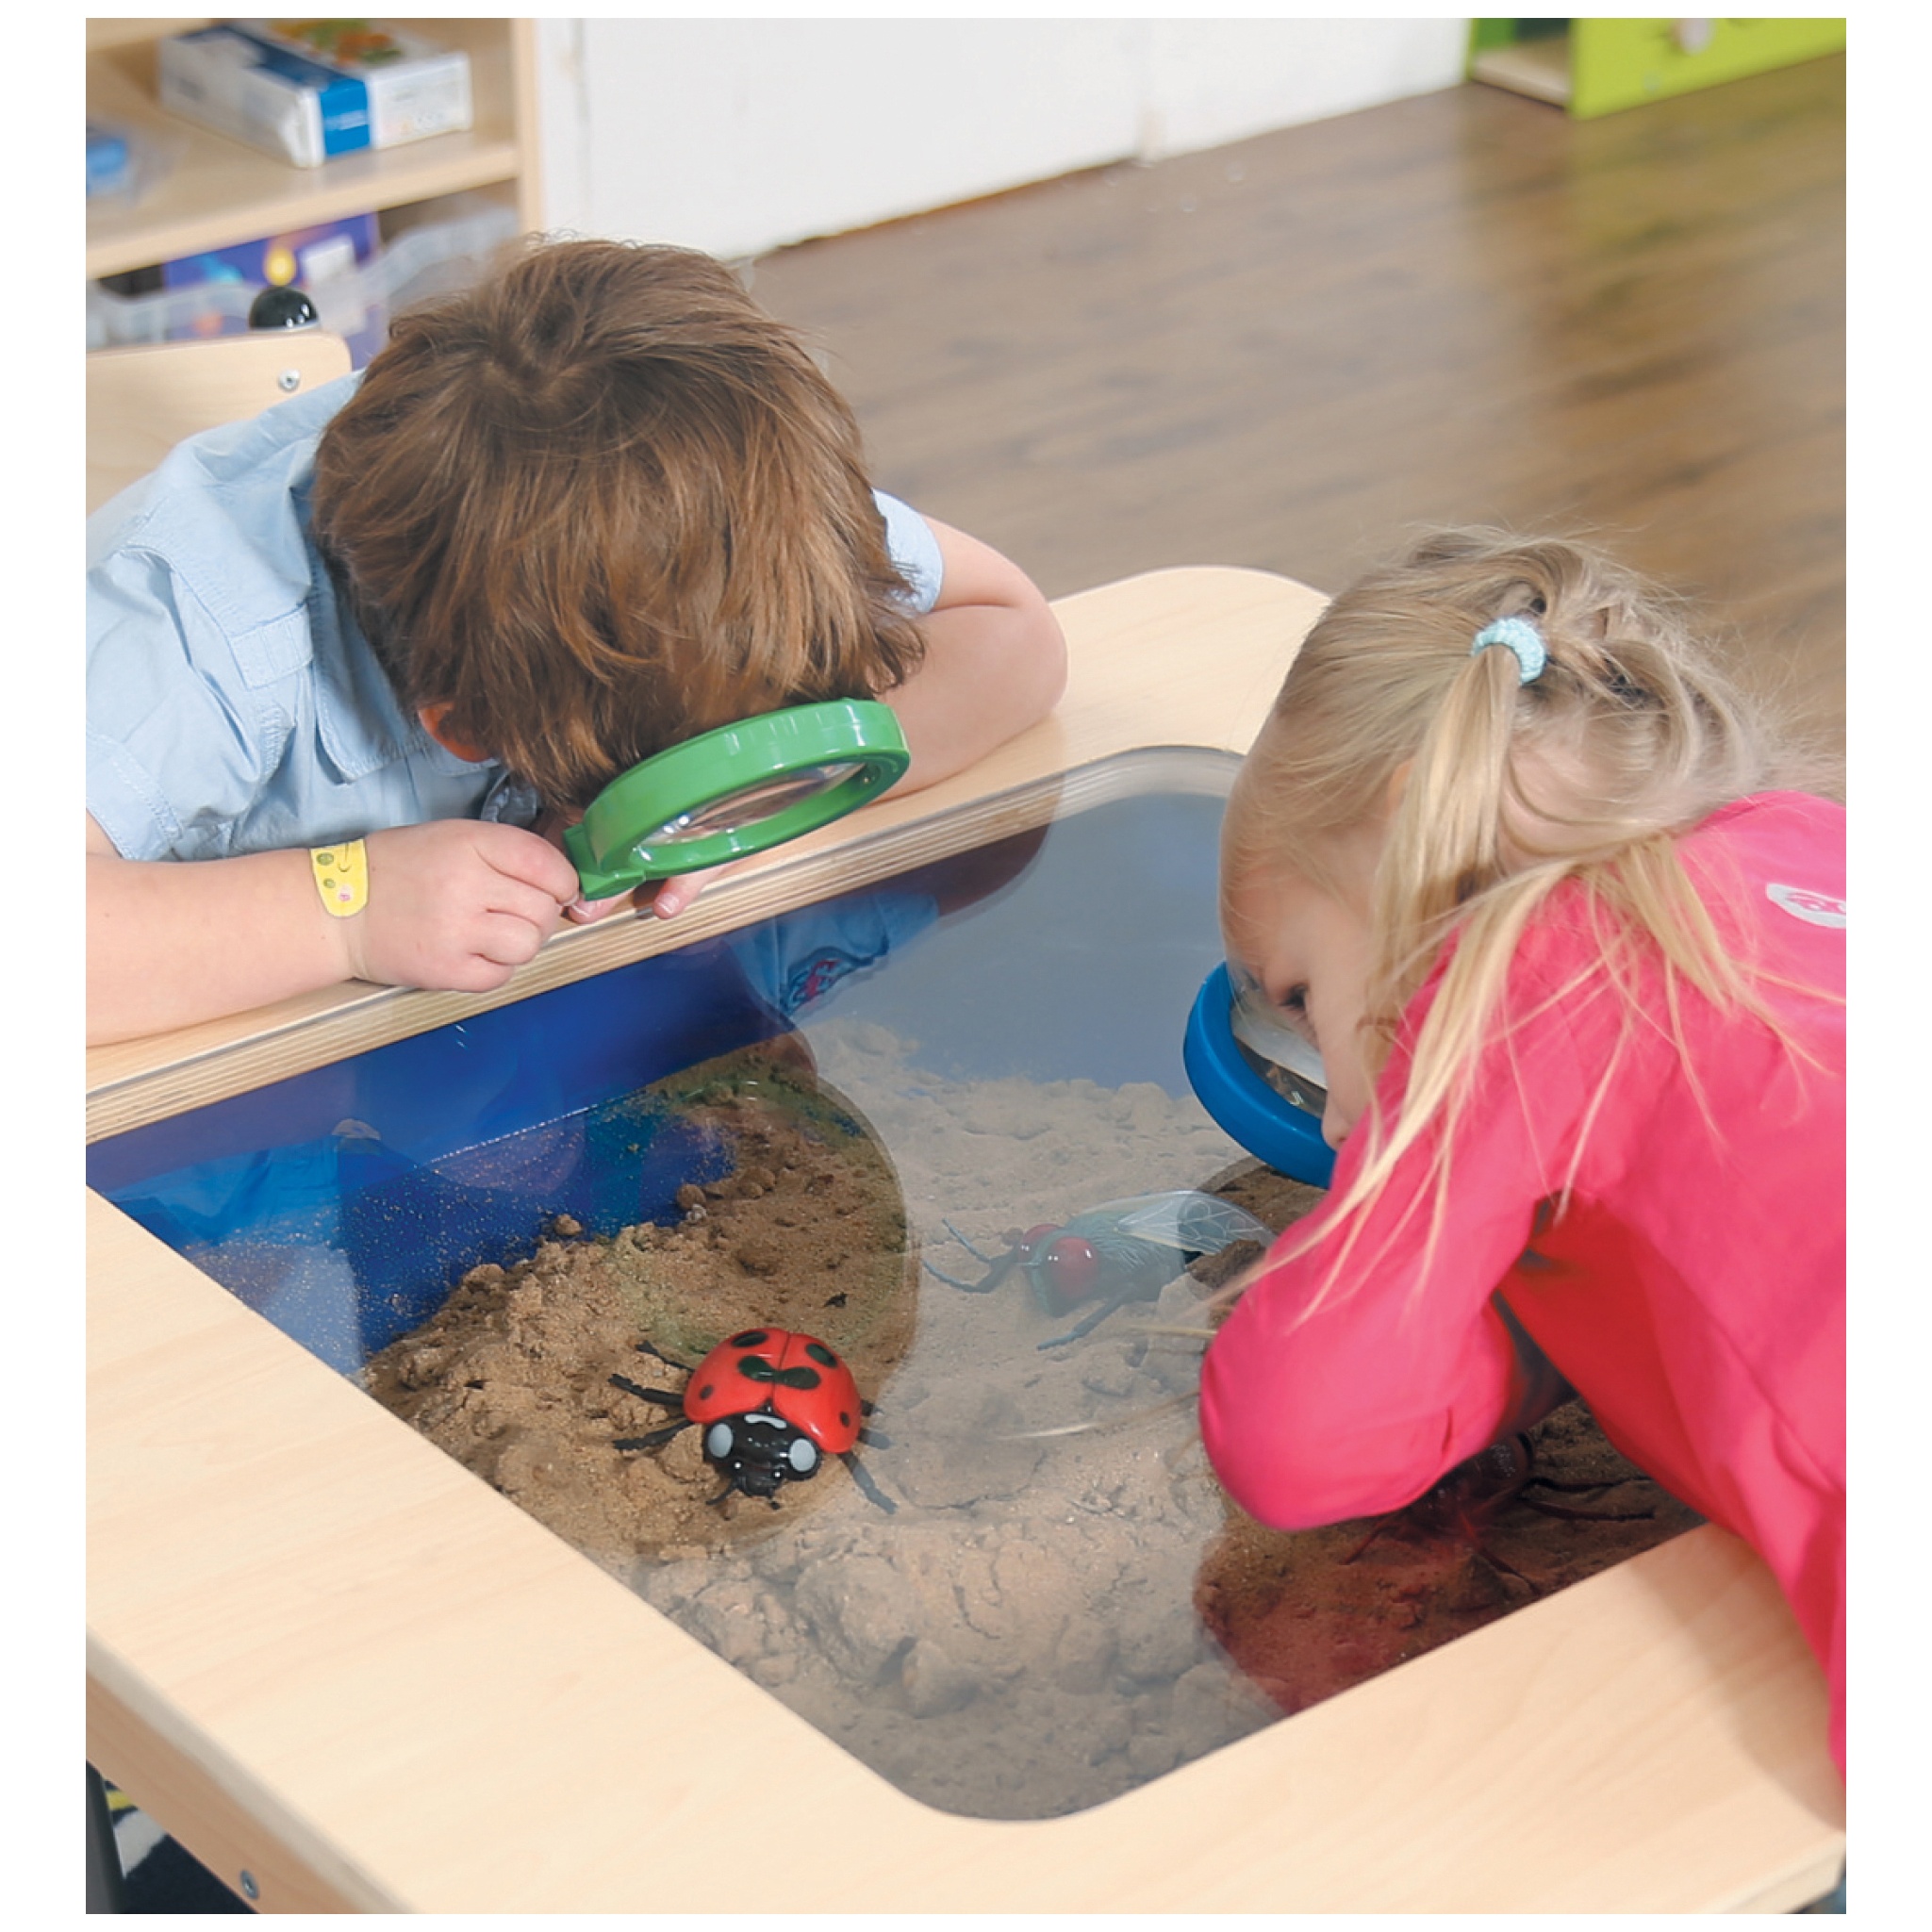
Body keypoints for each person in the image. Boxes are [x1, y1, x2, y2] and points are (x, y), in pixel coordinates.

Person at [1197, 527, 1845, 1776]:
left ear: (1403, 844)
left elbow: (1295, 1441)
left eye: (1300, 996)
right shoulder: (1811, 842)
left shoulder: (1513, 981)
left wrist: (1528, 1342)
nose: (1334, 1111)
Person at [87, 238, 1067, 1046]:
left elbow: (1014, 636)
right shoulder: (192, 628)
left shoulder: (726, 501)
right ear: (467, 728)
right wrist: (344, 911)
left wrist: (751, 805)